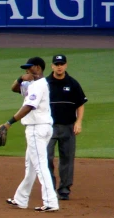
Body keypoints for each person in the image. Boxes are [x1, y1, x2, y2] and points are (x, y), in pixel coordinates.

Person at [2, 56, 59, 213]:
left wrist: (8, 123)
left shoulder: (38, 86)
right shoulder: (32, 84)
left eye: (29, 67)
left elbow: (28, 106)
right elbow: (14, 88)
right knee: (31, 165)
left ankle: (50, 202)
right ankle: (21, 199)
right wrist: (21, 78)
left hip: (36, 128)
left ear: (38, 68)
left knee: (40, 165)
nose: (27, 70)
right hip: (42, 127)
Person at [46, 54, 88, 200]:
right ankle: (49, 188)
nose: (59, 66)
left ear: (66, 65)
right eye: (57, 64)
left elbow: (80, 104)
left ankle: (64, 189)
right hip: (48, 127)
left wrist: (79, 122)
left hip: (68, 126)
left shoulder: (73, 83)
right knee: (46, 157)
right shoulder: (45, 83)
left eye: (62, 64)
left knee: (67, 159)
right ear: (52, 66)